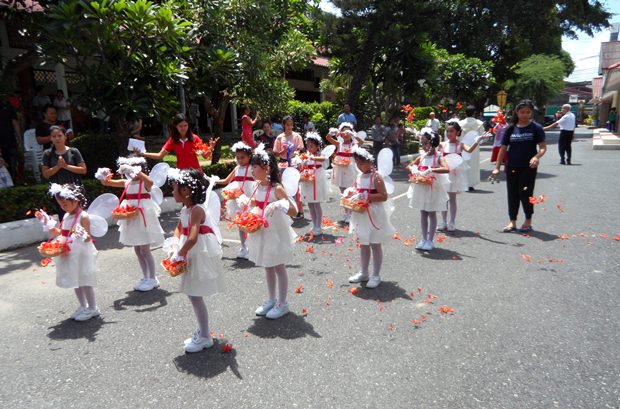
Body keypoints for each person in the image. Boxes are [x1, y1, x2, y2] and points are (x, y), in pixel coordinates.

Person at [166, 168, 225, 353]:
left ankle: (205, 335)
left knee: (195, 294)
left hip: (196, 252)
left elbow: (192, 237)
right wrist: (175, 242)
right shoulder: (187, 208)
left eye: (174, 188)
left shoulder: (197, 210)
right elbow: (179, 227)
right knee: (193, 294)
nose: (172, 192)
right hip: (190, 251)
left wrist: (180, 253)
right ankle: (202, 331)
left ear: (185, 191)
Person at [239, 149, 297, 319]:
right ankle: (271, 299)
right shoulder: (257, 185)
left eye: (254, 167)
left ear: (266, 168)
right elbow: (257, 204)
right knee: (267, 264)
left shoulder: (276, 188)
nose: (251, 170)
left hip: (275, 231)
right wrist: (246, 204)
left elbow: (294, 211)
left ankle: (283, 302)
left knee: (278, 265)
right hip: (261, 229)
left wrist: (280, 204)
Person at [97, 156, 164, 292]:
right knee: (137, 250)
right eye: (128, 170)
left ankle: (152, 278)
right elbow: (107, 183)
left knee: (145, 249)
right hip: (131, 217)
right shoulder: (127, 182)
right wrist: (103, 175)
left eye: (132, 169)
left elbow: (150, 181)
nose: (130, 174)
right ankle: (145, 276)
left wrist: (136, 171)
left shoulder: (144, 183)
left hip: (143, 217)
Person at [38, 183, 99, 321]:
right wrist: (47, 223)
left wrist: (82, 234)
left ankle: (93, 308)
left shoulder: (83, 216)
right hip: (69, 253)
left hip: (82, 253)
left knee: (85, 280)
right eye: (60, 204)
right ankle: (83, 306)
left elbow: (88, 237)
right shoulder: (66, 216)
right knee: (75, 280)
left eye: (65, 203)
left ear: (76, 200)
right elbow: (61, 233)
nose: (63, 206)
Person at [492, 100, 547, 233]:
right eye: (522, 112)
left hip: (528, 167)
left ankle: (528, 220)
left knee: (525, 193)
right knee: (512, 194)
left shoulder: (536, 128)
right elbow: (503, 149)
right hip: (512, 166)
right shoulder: (510, 129)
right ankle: (512, 221)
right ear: (517, 112)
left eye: (528, 112)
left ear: (531, 113)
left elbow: (543, 148)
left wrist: (536, 157)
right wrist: (497, 167)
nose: (525, 115)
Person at [345, 146, 395, 289]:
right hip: (361, 214)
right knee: (363, 243)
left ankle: (376, 275)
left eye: (361, 163)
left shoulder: (376, 176)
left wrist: (366, 195)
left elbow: (383, 196)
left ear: (369, 161)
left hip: (374, 214)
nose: (359, 166)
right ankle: (364, 272)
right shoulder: (359, 176)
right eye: (357, 163)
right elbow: (356, 189)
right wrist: (351, 192)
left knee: (375, 243)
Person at [406, 128, 450, 251]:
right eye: (422, 144)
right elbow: (409, 165)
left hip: (433, 188)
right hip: (422, 188)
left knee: (431, 213)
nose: (424, 146)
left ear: (432, 142)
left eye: (426, 143)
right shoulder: (422, 156)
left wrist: (432, 169)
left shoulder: (438, 157)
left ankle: (430, 240)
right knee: (423, 213)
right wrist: (413, 169)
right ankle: (423, 238)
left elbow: (446, 168)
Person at [438, 122, 485, 232]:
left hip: (454, 175)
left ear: (457, 132)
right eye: (447, 131)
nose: (449, 133)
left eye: (451, 131)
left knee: (452, 199)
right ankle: (443, 221)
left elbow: (469, 150)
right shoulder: (443, 144)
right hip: (444, 174)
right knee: (443, 199)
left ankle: (452, 222)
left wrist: (477, 141)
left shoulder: (460, 145)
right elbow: (432, 147)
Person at [216, 141, 254, 259]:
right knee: (240, 224)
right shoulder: (237, 168)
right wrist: (212, 180)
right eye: (237, 158)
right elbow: (226, 181)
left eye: (242, 157)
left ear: (249, 157)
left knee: (251, 222)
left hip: (249, 197)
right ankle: (243, 246)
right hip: (237, 199)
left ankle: (253, 246)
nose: (240, 160)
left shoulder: (252, 167)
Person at [140, 113, 213, 171]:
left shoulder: (195, 138)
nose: (183, 128)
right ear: (176, 126)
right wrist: (143, 154)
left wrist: (211, 148)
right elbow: (160, 156)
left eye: (185, 125)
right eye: (180, 126)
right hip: (181, 173)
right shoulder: (173, 140)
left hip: (196, 172)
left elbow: (205, 156)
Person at [326, 122, 364, 224]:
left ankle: (351, 213)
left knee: (351, 191)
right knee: (343, 192)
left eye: (348, 132)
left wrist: (354, 135)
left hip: (351, 170)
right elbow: (328, 138)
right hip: (340, 170)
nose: (346, 134)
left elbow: (361, 142)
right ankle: (346, 212)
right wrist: (332, 133)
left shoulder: (354, 144)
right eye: (344, 131)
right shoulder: (339, 144)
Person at [273, 116, 305, 218]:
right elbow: (275, 153)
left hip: (294, 162)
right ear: (284, 125)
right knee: (284, 187)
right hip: (283, 163)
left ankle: (299, 210)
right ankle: (288, 209)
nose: (289, 127)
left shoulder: (297, 136)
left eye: (291, 124)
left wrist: (294, 152)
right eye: (287, 125)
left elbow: (300, 148)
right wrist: (283, 151)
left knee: (295, 187)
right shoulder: (279, 137)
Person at [299, 132, 329, 235]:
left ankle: (318, 226)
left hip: (317, 180)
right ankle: (314, 224)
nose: (309, 148)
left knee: (316, 203)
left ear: (317, 146)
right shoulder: (306, 155)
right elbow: (302, 165)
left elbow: (324, 160)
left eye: (312, 146)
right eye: (308, 146)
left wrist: (313, 158)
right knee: (310, 203)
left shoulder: (320, 155)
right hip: (308, 180)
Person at [459, 106, 484, 191]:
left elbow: (459, 137)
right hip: (474, 146)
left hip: (464, 146)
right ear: (474, 113)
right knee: (473, 165)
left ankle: (463, 183)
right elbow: (481, 136)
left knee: (464, 164)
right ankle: (471, 184)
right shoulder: (479, 123)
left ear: (465, 113)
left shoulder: (461, 123)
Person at [0, 98, 20, 180]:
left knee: (12, 163)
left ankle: (13, 180)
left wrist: (19, 139)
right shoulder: (8, 107)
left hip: (10, 140)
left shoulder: (9, 107)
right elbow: (15, 124)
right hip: (8, 140)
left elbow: (15, 123)